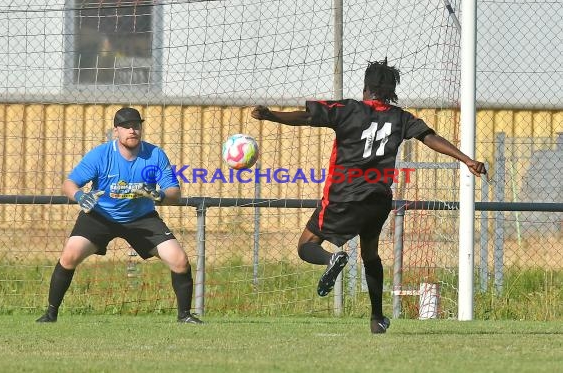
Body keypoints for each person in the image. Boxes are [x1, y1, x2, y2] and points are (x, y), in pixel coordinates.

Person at [251, 59, 486, 334]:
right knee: (370, 255)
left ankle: (331, 260)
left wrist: (271, 115)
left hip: (344, 197)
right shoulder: (401, 117)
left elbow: (306, 117)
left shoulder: (348, 110)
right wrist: (466, 159)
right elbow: (429, 137)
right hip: (378, 200)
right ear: (391, 90)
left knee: (306, 246)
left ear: (366, 87)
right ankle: (377, 318)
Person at [36, 107, 202, 324]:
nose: (132, 130)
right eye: (126, 126)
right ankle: (50, 314)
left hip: (142, 218)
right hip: (100, 216)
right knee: (69, 256)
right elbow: (69, 183)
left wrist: (159, 195)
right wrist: (80, 196)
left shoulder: (155, 154)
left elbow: (174, 193)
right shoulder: (100, 155)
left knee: (179, 260)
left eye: (136, 125)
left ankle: (184, 316)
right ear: (116, 131)